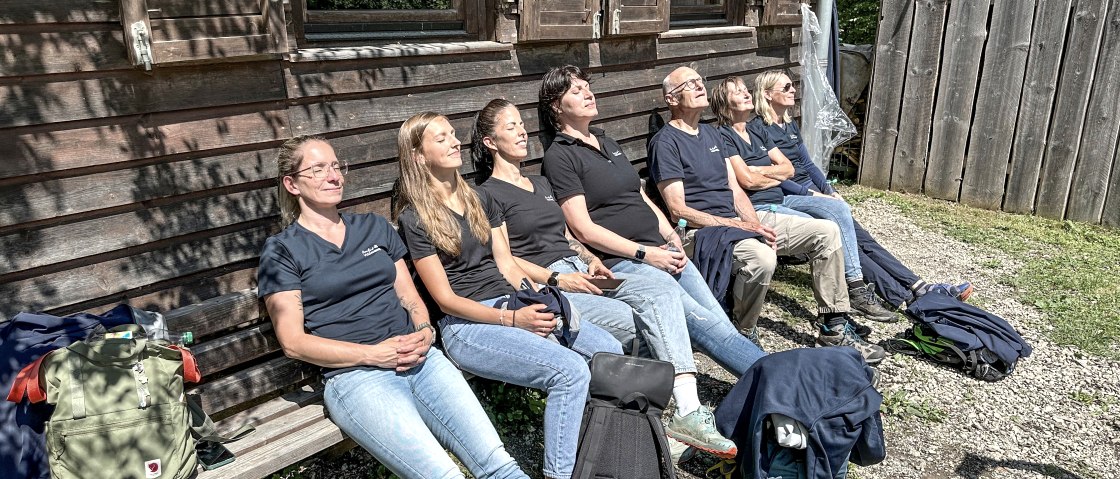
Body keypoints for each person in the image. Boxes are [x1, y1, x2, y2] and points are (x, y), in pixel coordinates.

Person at [471, 98, 737, 458]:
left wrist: (591, 258)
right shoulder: (487, 194)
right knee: (641, 322)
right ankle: (663, 423)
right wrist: (558, 280)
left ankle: (677, 416)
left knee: (660, 289)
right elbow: (506, 259)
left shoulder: (539, 184)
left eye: (521, 124)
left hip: (584, 271)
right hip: (550, 285)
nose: (521, 132)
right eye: (510, 127)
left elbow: (566, 236)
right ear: (490, 142)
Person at [257, 136, 528, 479]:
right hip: (358, 377)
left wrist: (425, 331)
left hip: (422, 360)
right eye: (318, 168)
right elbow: (293, 342)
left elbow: (410, 299)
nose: (333, 176)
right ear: (291, 184)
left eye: (336, 166)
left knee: (499, 465)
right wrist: (373, 355)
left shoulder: (373, 227)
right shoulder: (283, 250)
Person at [393, 112, 622, 479]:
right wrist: (514, 320)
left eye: (453, 134)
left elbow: (507, 265)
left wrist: (539, 301)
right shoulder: (416, 217)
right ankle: (561, 474)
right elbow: (444, 300)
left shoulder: (481, 198)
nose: (454, 142)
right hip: (468, 326)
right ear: (418, 156)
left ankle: (599, 454)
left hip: (511, 304)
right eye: (441, 138)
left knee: (610, 351)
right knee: (569, 371)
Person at [537, 65, 767, 379]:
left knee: (717, 320)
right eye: (576, 92)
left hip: (662, 250)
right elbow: (582, 228)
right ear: (555, 106)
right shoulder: (560, 156)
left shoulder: (607, 141)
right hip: (625, 263)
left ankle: (769, 375)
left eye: (587, 88)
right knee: (703, 323)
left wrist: (671, 235)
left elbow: (640, 195)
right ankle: (770, 377)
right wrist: (645, 254)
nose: (588, 94)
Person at [647, 66, 886, 365]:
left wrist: (755, 225)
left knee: (826, 231)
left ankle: (833, 326)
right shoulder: (665, 143)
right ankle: (743, 330)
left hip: (740, 221)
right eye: (690, 84)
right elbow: (678, 210)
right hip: (702, 231)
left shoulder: (710, 133)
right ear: (672, 98)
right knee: (761, 258)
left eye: (700, 80)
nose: (699, 86)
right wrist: (739, 225)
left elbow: (735, 189)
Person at [747, 70, 974, 310]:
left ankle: (917, 287)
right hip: (793, 196)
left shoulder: (789, 124)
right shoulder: (758, 129)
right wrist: (814, 195)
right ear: (767, 94)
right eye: (786, 88)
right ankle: (906, 296)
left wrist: (829, 190)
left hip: (814, 191)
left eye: (792, 86)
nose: (793, 90)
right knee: (849, 241)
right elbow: (775, 179)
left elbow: (807, 164)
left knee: (862, 239)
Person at [708, 74, 895, 327]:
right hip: (762, 207)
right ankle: (844, 304)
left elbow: (788, 169)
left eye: (745, 89)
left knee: (835, 213)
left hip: (783, 200)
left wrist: (761, 172)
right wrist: (768, 175)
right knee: (827, 228)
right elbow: (747, 182)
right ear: (724, 103)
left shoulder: (756, 132)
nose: (745, 93)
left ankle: (846, 299)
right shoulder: (723, 135)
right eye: (737, 91)